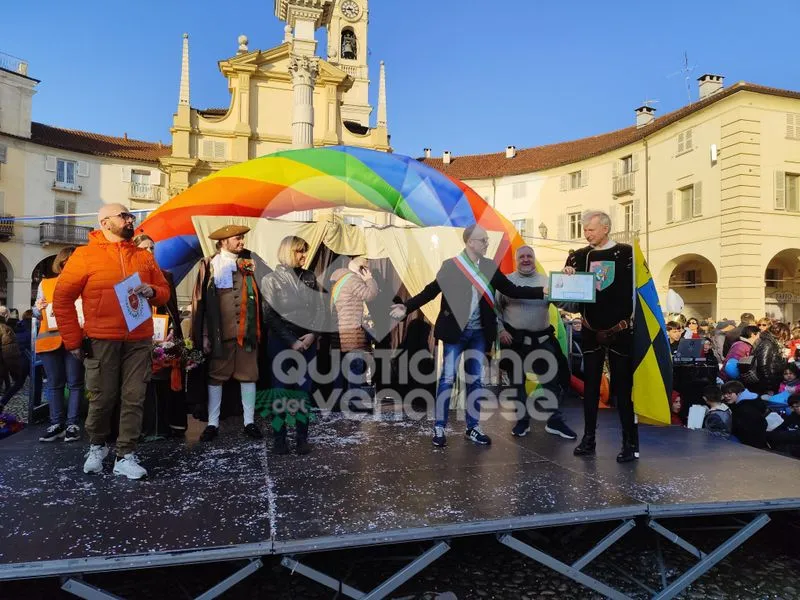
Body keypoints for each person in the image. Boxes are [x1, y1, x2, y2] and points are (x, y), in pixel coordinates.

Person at [389, 224, 545, 448]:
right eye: (483, 240)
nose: (486, 243)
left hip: (479, 333)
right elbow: (431, 291)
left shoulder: (489, 266)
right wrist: (406, 307)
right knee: (447, 380)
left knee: (476, 380)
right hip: (455, 332)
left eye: (486, 240)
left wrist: (542, 291)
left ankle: (473, 427)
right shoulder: (452, 266)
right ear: (470, 242)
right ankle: (440, 426)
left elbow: (512, 289)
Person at [53, 203, 169, 479]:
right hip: (101, 339)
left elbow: (164, 291)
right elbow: (62, 299)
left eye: (130, 216)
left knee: (134, 397)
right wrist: (73, 342)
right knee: (102, 398)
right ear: (105, 223)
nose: (130, 220)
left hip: (139, 339)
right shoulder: (84, 256)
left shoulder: (144, 257)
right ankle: (97, 446)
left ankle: (125, 454)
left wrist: (153, 290)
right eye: (124, 216)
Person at [562, 210, 638, 462]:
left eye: (590, 229)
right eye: (584, 230)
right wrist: (566, 277)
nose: (586, 233)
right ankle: (588, 439)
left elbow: (638, 291)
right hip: (591, 330)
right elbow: (568, 296)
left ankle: (629, 442)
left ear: (605, 228)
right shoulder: (578, 256)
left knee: (623, 389)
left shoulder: (627, 253)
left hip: (619, 330)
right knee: (591, 388)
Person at [191, 225, 264, 443]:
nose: (242, 242)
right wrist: (204, 335)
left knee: (249, 375)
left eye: (242, 238)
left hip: (247, 333)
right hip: (218, 335)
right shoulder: (209, 265)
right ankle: (213, 424)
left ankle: (249, 422)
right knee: (216, 377)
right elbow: (200, 304)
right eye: (238, 239)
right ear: (224, 242)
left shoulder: (251, 262)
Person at [496, 245, 576, 439]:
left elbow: (567, 305)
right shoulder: (506, 283)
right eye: (522, 256)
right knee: (517, 383)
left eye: (529, 256)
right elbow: (496, 311)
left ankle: (554, 421)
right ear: (516, 260)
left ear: (534, 258)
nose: (525, 259)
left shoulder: (547, 281)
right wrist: (501, 330)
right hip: (515, 341)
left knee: (551, 382)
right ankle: (522, 422)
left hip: (542, 340)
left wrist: (570, 284)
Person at [260, 235, 323, 455]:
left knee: (303, 393)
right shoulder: (271, 280)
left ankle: (302, 438)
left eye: (305, 251)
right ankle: (279, 440)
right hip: (281, 344)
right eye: (300, 251)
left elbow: (320, 310)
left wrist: (312, 335)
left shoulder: (310, 277)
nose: (304, 256)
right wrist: (292, 341)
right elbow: (269, 316)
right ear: (288, 251)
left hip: (307, 343)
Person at [134, 234, 188, 438]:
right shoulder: (129, 276)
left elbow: (170, 306)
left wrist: (173, 330)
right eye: (145, 248)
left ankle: (166, 427)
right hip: (138, 337)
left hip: (164, 336)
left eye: (152, 248)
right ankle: (143, 429)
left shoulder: (166, 275)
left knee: (165, 383)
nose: (149, 252)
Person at [33, 246, 85, 443]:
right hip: (50, 340)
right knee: (54, 384)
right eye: (69, 262)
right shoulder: (45, 284)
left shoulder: (85, 284)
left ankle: (72, 424)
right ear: (62, 263)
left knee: (75, 383)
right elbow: (37, 312)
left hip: (75, 339)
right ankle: (56, 424)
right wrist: (38, 308)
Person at [329, 256, 379, 411]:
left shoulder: (339, 279)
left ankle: (337, 402)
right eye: (367, 268)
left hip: (337, 330)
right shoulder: (353, 280)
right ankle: (354, 402)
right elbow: (370, 294)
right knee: (354, 367)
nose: (369, 271)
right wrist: (370, 279)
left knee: (338, 369)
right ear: (362, 269)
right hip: (351, 330)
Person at [721, 380, 767, 449]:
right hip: (759, 441)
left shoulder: (742, 408)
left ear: (739, 393)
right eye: (724, 394)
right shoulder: (754, 401)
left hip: (749, 444)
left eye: (729, 393)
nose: (726, 396)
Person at [751, 322, 787, 394]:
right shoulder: (767, 344)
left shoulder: (770, 342)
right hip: (767, 385)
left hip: (772, 381)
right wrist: (769, 387)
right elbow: (763, 367)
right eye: (784, 336)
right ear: (780, 334)